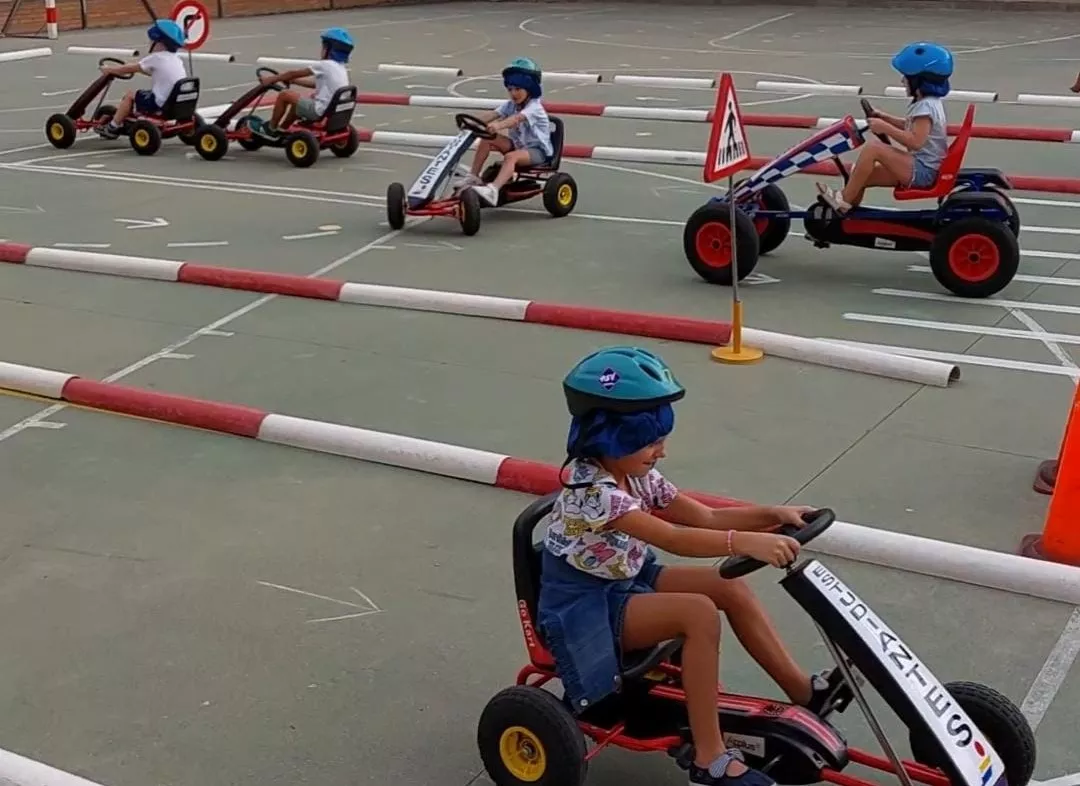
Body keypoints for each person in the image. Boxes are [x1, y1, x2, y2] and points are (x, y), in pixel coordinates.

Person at [537, 346, 846, 786]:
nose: (661, 451)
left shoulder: (638, 474)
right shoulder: (594, 493)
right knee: (697, 614)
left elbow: (705, 516)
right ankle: (709, 759)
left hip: (627, 578)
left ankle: (804, 692)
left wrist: (774, 515)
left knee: (727, 587)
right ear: (611, 438)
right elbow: (673, 538)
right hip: (586, 607)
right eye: (652, 442)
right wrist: (747, 542)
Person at [816, 42, 952, 213]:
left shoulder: (926, 107)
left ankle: (844, 200)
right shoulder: (929, 103)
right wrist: (884, 118)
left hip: (923, 171)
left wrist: (885, 128)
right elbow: (910, 126)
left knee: (873, 148)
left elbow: (916, 142)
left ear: (919, 80)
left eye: (906, 77)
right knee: (860, 174)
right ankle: (848, 212)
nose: (902, 81)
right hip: (921, 167)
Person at [461, 58, 553, 206]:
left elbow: (516, 119)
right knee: (487, 138)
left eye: (518, 89)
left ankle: (493, 190)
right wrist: (471, 123)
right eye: (510, 89)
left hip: (536, 152)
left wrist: (499, 125)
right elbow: (493, 114)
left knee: (510, 157)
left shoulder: (534, 108)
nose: (513, 93)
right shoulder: (511, 105)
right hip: (518, 146)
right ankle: (473, 176)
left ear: (530, 88)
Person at [251, 27, 352, 140]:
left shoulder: (325, 65)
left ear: (329, 49)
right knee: (298, 103)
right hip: (333, 111)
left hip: (319, 111)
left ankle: (270, 129)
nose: (321, 50)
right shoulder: (341, 67)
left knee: (285, 95)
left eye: (323, 47)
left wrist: (271, 79)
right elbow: (315, 85)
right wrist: (294, 81)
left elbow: (293, 73)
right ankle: (282, 129)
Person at [95, 19, 187, 140]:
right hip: (175, 101)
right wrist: (135, 69)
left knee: (129, 95)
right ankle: (133, 115)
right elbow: (152, 72)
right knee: (141, 94)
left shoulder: (156, 58)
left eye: (152, 41)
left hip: (160, 103)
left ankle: (113, 126)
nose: (150, 43)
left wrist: (109, 70)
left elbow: (130, 68)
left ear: (159, 43)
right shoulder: (175, 59)